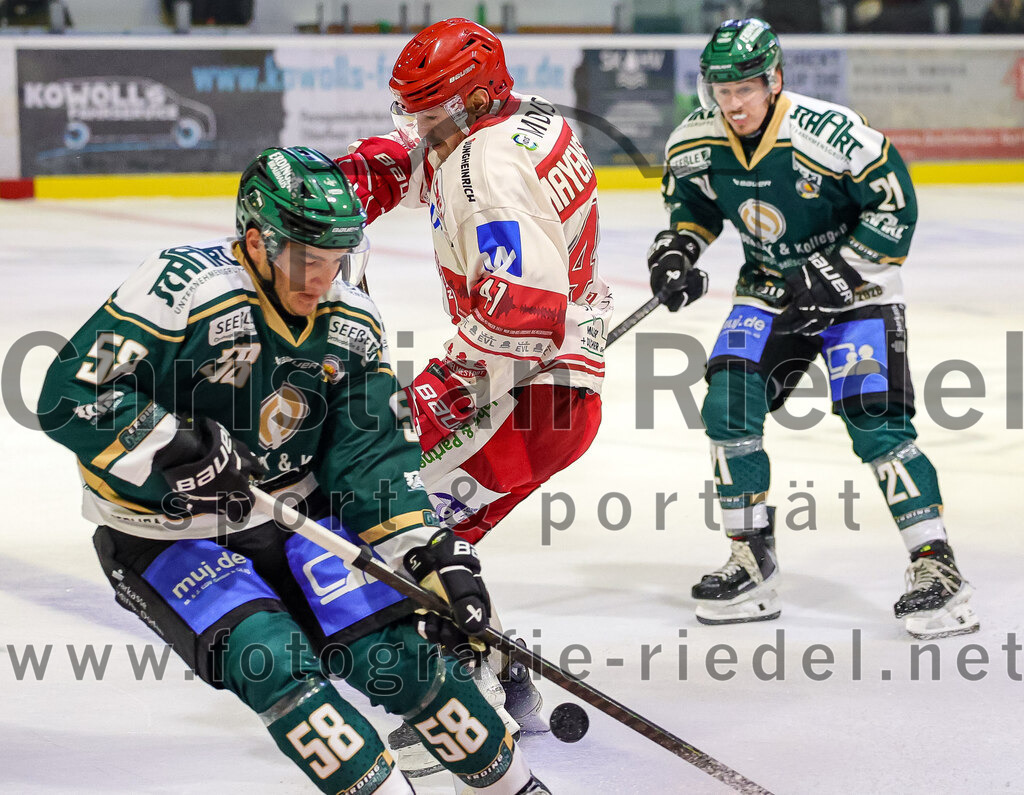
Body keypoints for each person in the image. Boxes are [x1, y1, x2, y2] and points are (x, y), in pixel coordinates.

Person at [38, 146, 550, 794]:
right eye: (307, 258)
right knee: (275, 664)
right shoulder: (181, 288)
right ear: (256, 241)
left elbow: (370, 455)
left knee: (403, 660)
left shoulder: (351, 320)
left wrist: (429, 553)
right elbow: (69, 394)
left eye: (336, 259)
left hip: (297, 515)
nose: (322, 278)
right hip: (165, 533)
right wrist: (173, 446)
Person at [334, 16, 613, 762]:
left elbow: (524, 313)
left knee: (384, 523)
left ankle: (468, 701)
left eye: (430, 114)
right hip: (556, 394)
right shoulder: (525, 118)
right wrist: (343, 183)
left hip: (525, 399)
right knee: (425, 536)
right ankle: (499, 673)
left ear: (474, 102)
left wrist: (426, 403)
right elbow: (418, 159)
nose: (418, 130)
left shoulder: (488, 172)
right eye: (413, 111)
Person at [646, 18, 979, 639]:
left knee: (875, 422)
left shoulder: (830, 133)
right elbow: (692, 207)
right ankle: (752, 558)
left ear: (773, 80)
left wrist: (832, 271)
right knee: (728, 400)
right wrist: (677, 252)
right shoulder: (694, 140)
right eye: (722, 89)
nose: (733, 103)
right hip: (771, 289)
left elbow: (894, 206)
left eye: (745, 88)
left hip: (859, 292)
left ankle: (937, 564)